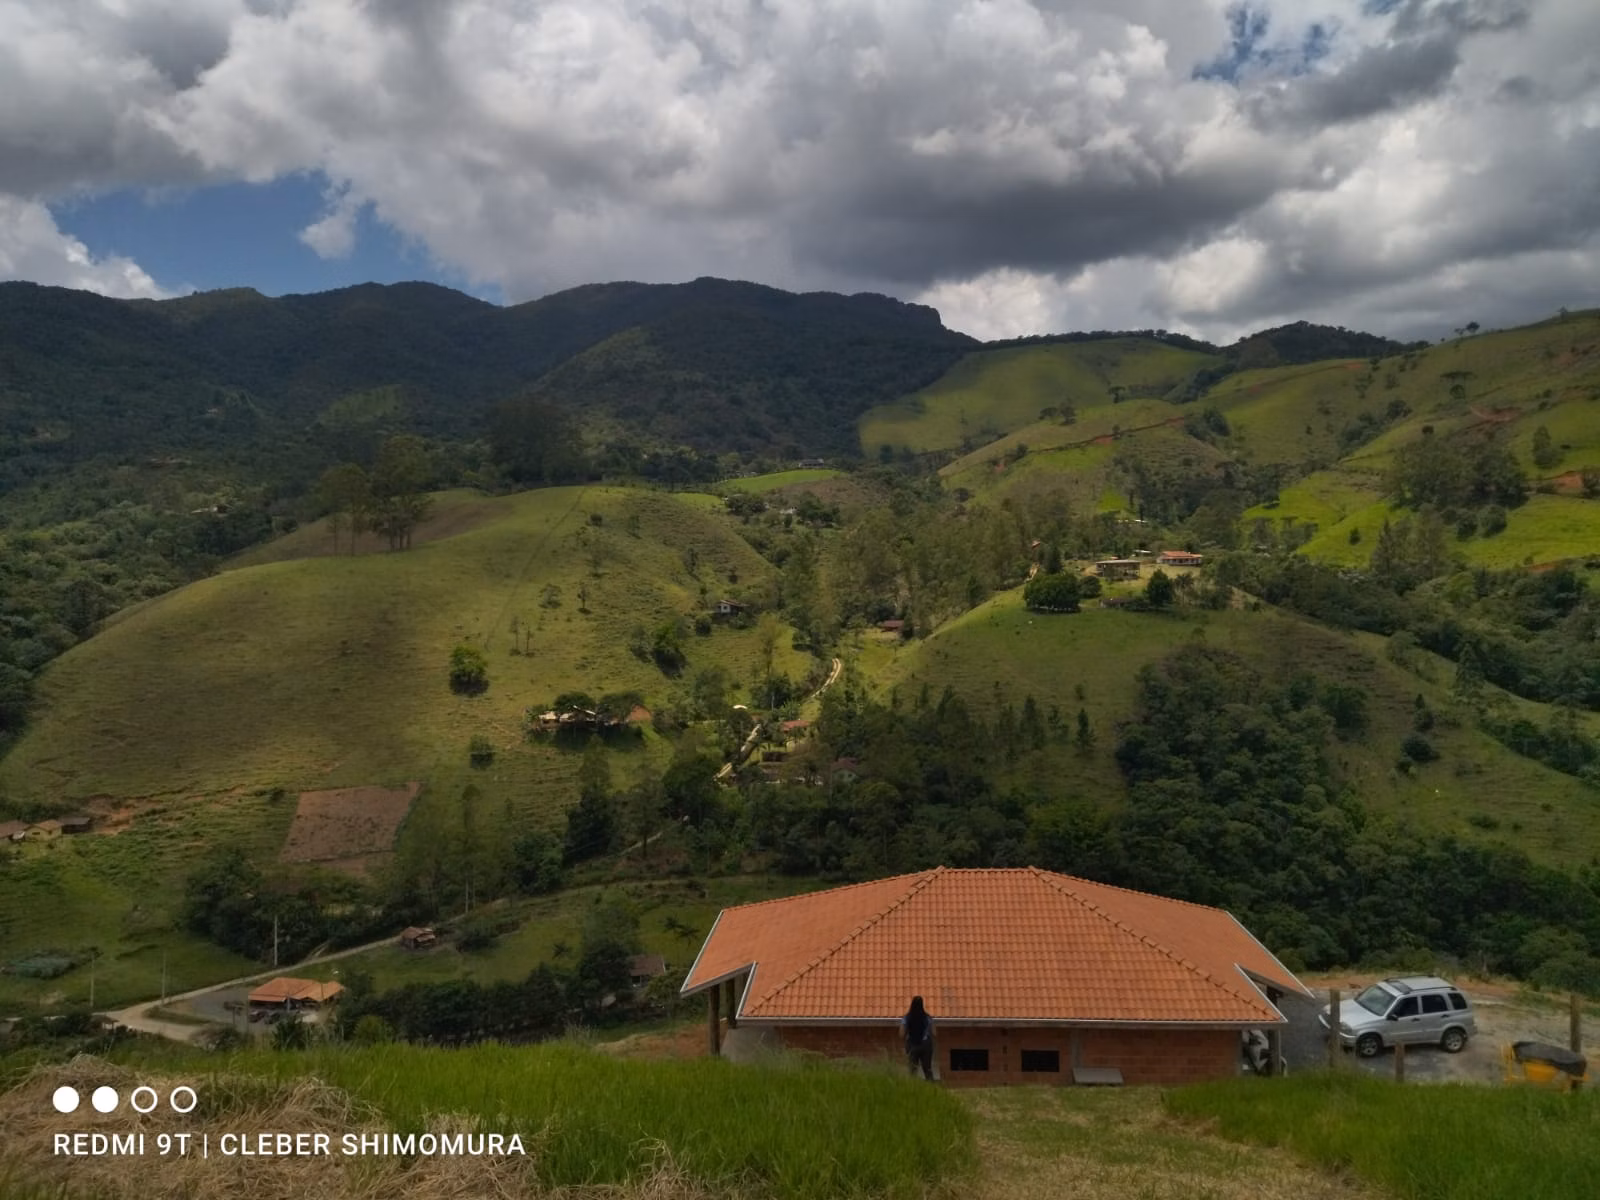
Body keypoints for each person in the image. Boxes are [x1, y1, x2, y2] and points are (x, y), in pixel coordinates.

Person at [901, 995, 935, 1080]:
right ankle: (932, 1089)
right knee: (927, 1069)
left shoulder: (907, 1018)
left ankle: (913, 1089)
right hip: (926, 1045)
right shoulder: (927, 1017)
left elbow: (901, 1034)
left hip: (912, 1045)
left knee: (912, 1070)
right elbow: (934, 1033)